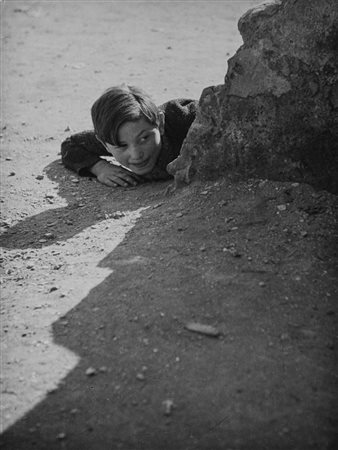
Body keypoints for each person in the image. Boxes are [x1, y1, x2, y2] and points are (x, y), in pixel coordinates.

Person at [61, 85, 197, 187]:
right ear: (104, 144)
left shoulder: (185, 120)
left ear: (160, 124)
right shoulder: (112, 135)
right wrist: (100, 168)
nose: (136, 154)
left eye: (144, 138)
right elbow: (71, 145)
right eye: (122, 146)